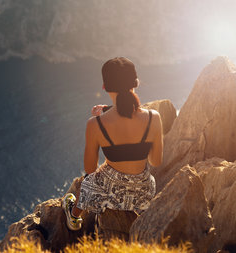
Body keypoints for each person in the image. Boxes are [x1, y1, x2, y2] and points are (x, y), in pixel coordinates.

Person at [63, 57, 163, 231]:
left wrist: (102, 117)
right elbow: (155, 161)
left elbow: (90, 169)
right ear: (136, 83)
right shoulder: (154, 117)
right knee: (146, 178)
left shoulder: (95, 124)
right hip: (143, 194)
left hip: (108, 194)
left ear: (105, 86)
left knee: (87, 182)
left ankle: (73, 216)